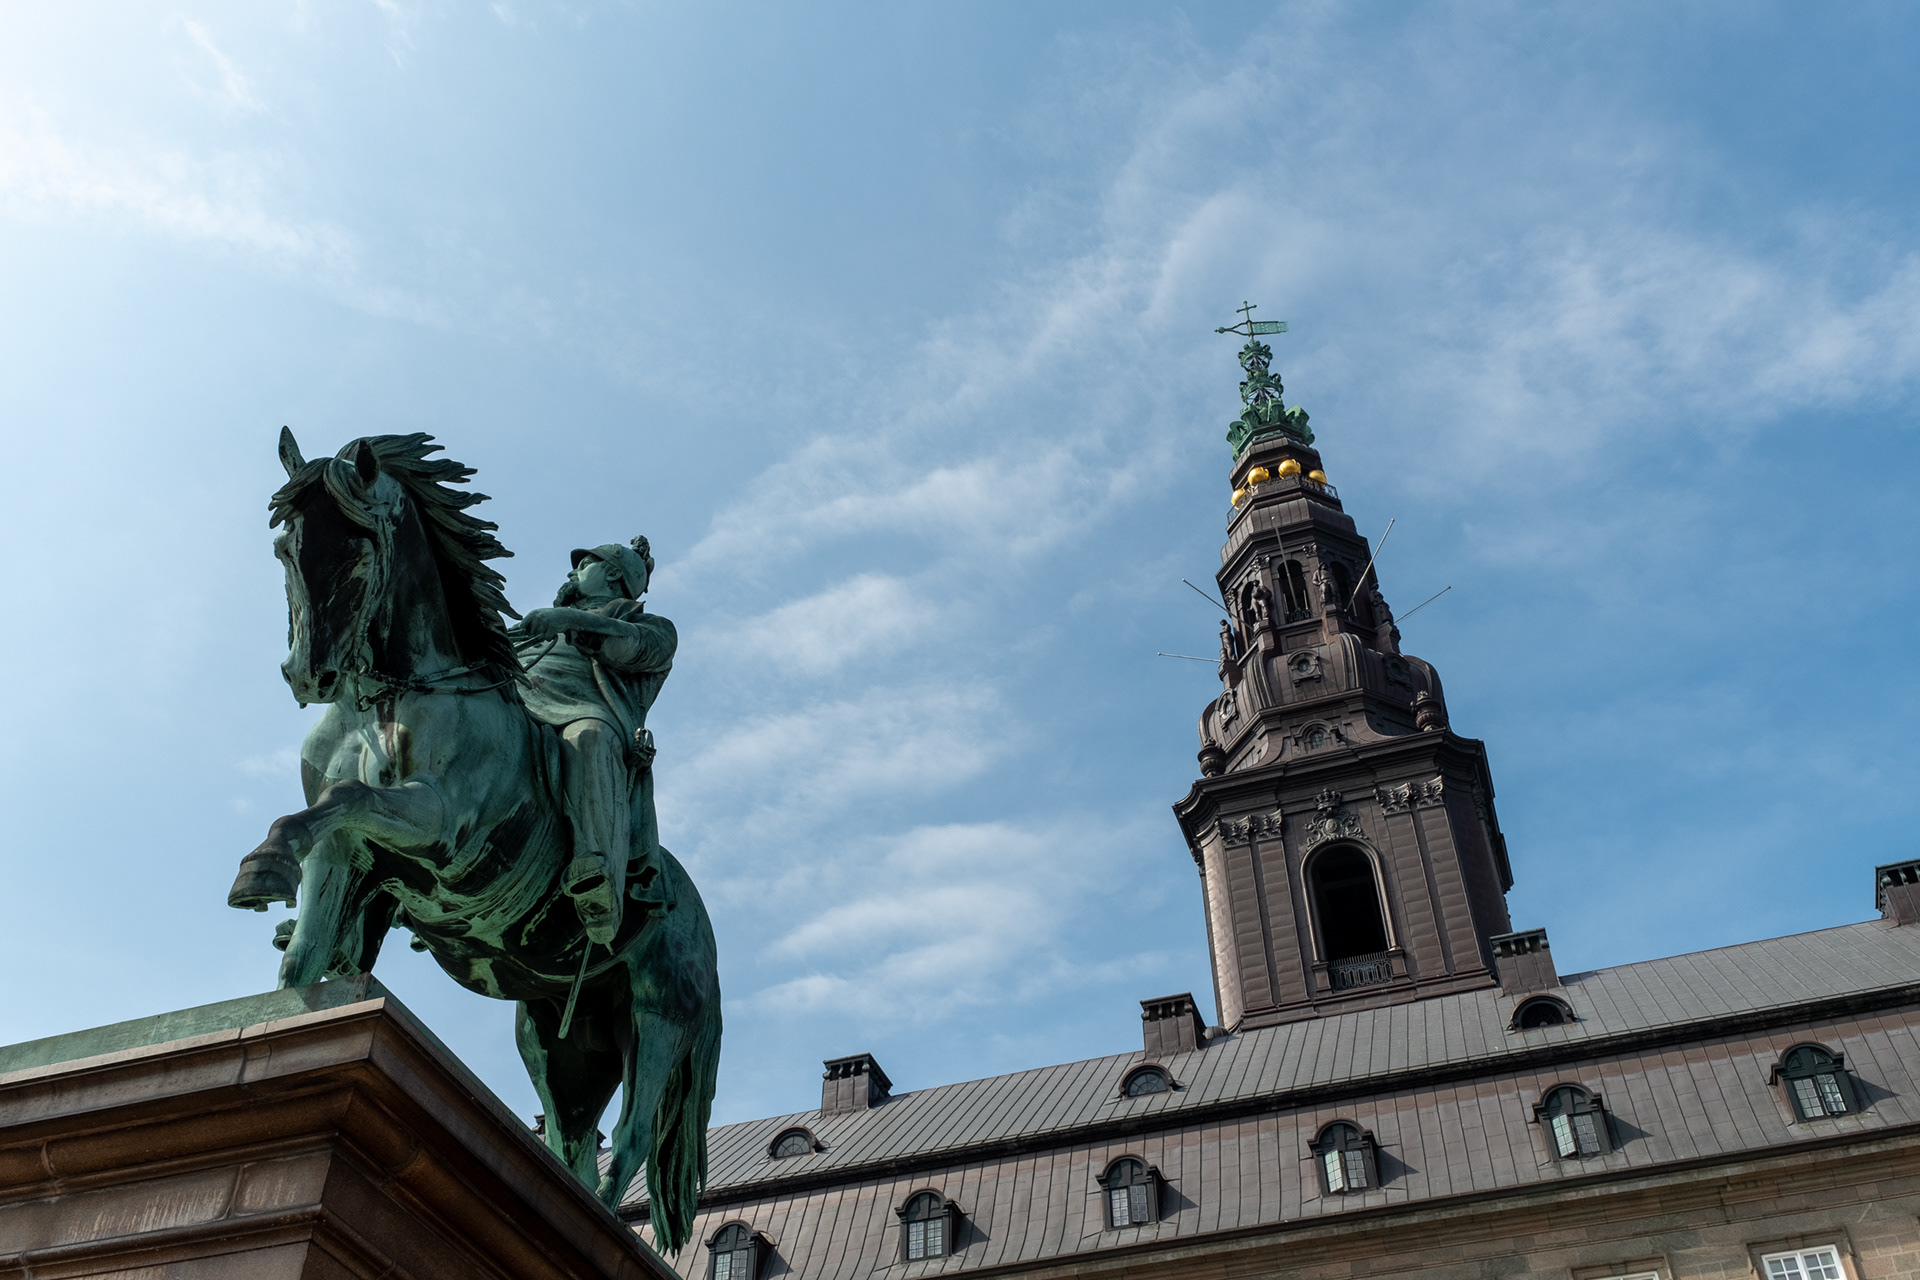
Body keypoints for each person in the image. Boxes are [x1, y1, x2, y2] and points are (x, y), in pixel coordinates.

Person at [514, 537, 674, 945]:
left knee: (589, 737)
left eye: (584, 565)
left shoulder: (652, 628)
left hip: (581, 711)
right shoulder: (538, 626)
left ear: (614, 573)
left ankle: (598, 876)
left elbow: (626, 648)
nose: (572, 573)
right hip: (516, 702)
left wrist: (568, 620)